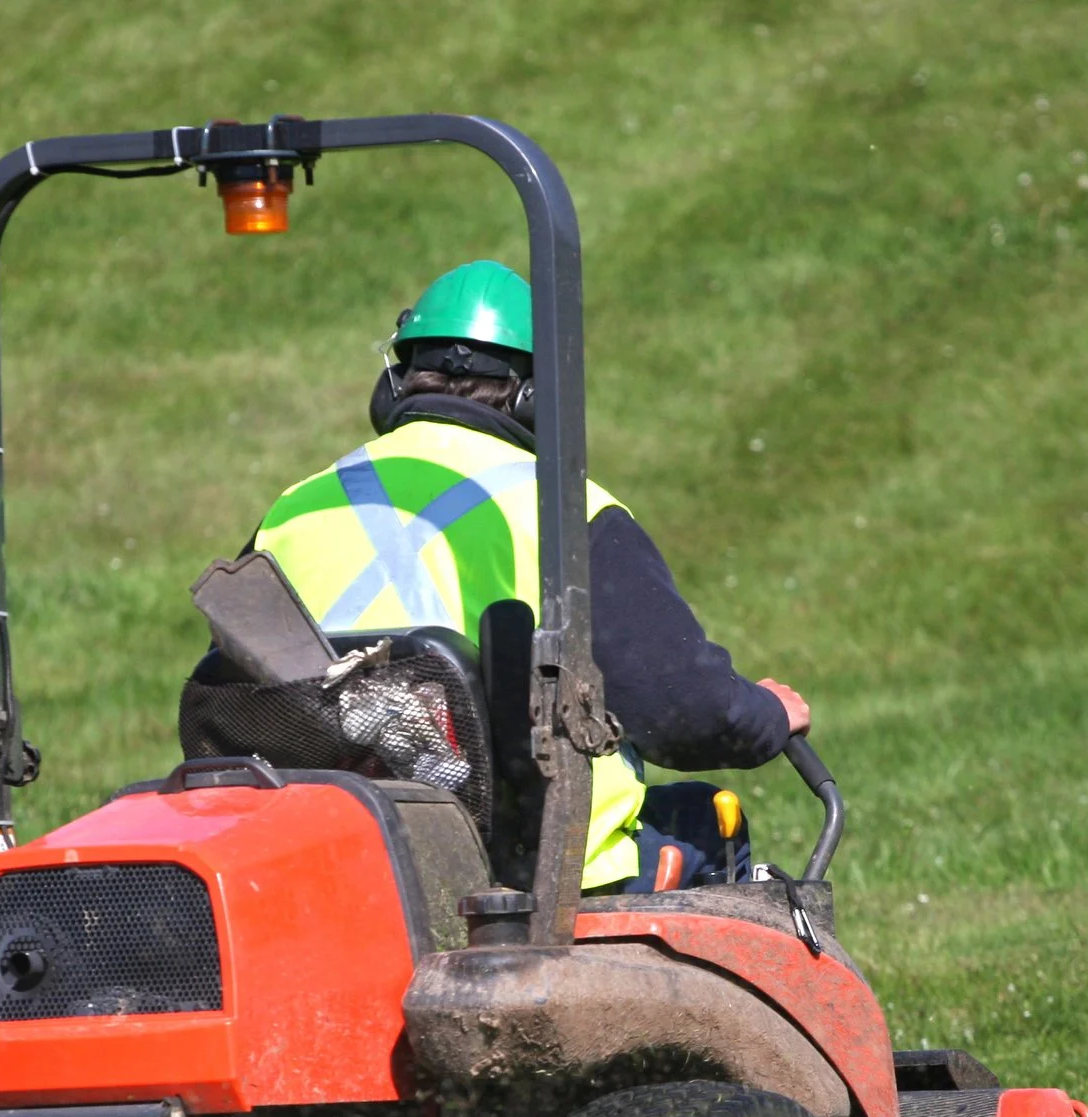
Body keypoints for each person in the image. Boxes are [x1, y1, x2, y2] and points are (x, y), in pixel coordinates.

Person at [248, 260, 809, 893]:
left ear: (396, 382)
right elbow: (682, 710)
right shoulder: (568, 513)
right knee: (705, 823)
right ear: (539, 396)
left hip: (330, 861)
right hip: (525, 875)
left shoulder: (293, 509)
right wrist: (764, 713)